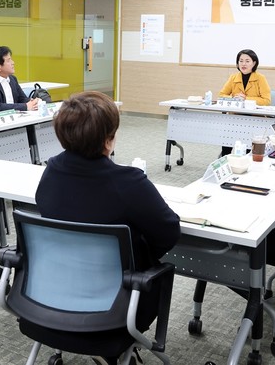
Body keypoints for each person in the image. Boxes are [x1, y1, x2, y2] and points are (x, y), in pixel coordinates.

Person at [35, 91, 180, 363]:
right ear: (108, 140)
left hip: (49, 295)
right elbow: (169, 232)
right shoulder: (128, 182)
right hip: (117, 307)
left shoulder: (51, 171)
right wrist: (137, 253)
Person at [219, 49, 271, 156]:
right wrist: (234, 98)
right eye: (241, 61)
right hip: (235, 116)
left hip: (255, 118)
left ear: (254, 63)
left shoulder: (260, 78)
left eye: (247, 61)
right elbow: (222, 95)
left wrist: (246, 99)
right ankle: (224, 159)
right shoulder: (233, 77)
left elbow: (266, 100)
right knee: (227, 140)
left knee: (248, 150)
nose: (243, 64)